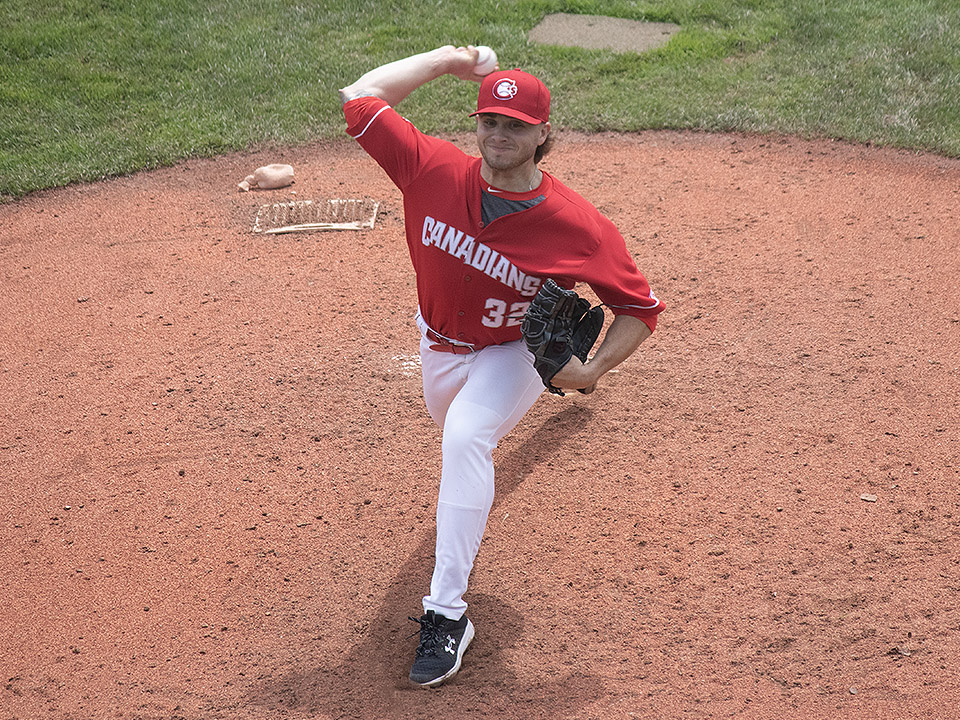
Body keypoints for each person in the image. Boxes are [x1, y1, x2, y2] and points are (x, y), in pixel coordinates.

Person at [338, 45, 664, 687]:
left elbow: (639, 307)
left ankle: (446, 614)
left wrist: (592, 370)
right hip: (439, 347)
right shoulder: (432, 169)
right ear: (477, 124)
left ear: (544, 134)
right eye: (490, 121)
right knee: (458, 432)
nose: (499, 135)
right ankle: (470, 509)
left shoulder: (578, 227)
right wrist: (448, 60)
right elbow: (358, 97)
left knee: (466, 437)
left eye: (516, 126)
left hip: (511, 352)